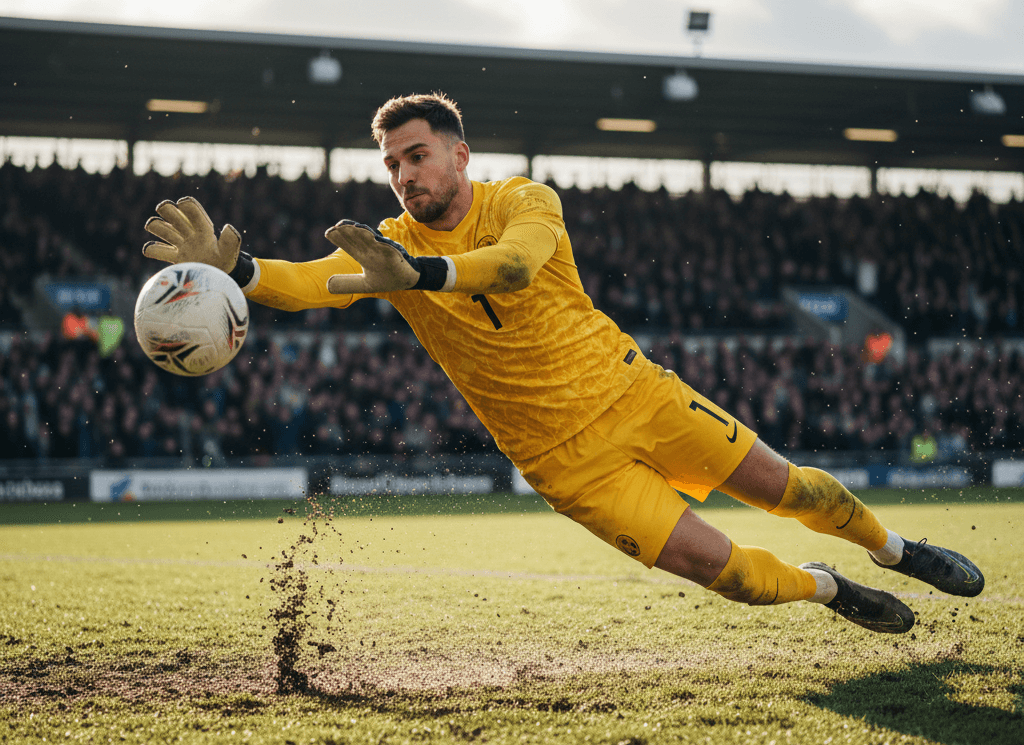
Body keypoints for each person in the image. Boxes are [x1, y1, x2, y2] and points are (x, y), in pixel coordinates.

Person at [141, 92, 983, 634]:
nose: (402, 174)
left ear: (459, 154)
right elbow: (310, 282)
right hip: (561, 461)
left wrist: (423, 276)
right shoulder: (388, 245)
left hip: (636, 393)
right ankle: (830, 587)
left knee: (799, 489)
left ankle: (894, 548)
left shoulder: (522, 200)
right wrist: (240, 273)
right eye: (391, 162)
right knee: (729, 577)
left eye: (417, 154)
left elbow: (510, 266)